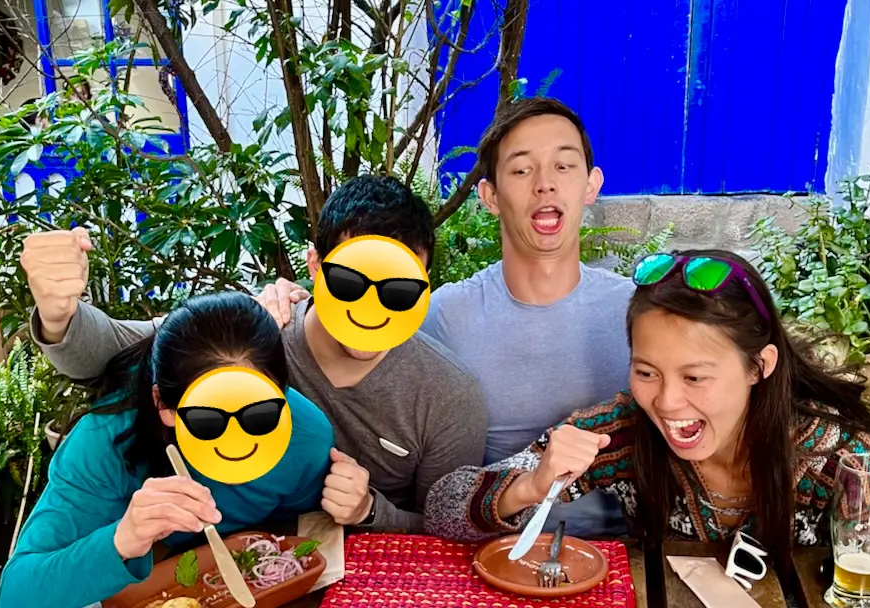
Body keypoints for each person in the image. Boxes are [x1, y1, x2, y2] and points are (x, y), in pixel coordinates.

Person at [254, 98, 633, 537]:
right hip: (486, 549)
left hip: (619, 551)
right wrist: (280, 306)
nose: (545, 184)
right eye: (522, 169)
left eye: (564, 166)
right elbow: (358, 318)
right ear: (489, 195)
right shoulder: (439, 316)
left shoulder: (638, 314)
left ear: (592, 183)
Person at [22, 177, 487, 533]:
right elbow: (117, 351)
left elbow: (443, 528)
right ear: (314, 267)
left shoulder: (448, 394)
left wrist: (370, 510)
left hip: (372, 593)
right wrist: (59, 311)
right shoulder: (255, 333)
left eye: (399, 289)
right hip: (228, 571)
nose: (370, 304)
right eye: (349, 281)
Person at [424, 250, 870, 575]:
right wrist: (531, 483)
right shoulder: (624, 430)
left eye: (695, 377)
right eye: (647, 372)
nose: (666, 402)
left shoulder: (842, 461)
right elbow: (442, 508)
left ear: (758, 367)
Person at [0, 292, 333, 608]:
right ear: (164, 405)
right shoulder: (105, 441)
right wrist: (122, 539)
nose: (235, 436)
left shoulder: (305, 436)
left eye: (260, 413)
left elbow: (301, 534)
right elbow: (16, 602)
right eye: (207, 419)